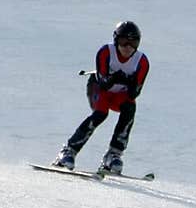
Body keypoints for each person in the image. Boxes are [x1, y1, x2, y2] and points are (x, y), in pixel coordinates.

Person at [53, 20, 150, 174]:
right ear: (116, 39)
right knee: (100, 114)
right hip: (98, 89)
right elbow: (103, 83)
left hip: (119, 94)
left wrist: (126, 82)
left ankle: (114, 155)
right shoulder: (106, 52)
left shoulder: (141, 61)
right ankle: (68, 151)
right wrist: (120, 78)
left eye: (133, 42)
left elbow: (134, 93)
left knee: (129, 108)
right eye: (124, 41)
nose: (127, 47)